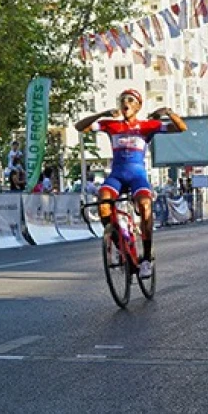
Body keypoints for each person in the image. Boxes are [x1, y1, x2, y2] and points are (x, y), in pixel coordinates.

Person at [74, 88, 186, 279]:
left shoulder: (147, 126)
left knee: (144, 205)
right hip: (116, 175)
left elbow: (181, 128)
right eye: (122, 100)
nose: (125, 103)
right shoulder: (111, 125)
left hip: (137, 175)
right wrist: (102, 114)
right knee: (103, 203)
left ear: (138, 106)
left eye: (130, 100)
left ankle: (147, 259)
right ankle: (119, 245)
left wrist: (167, 112)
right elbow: (79, 127)